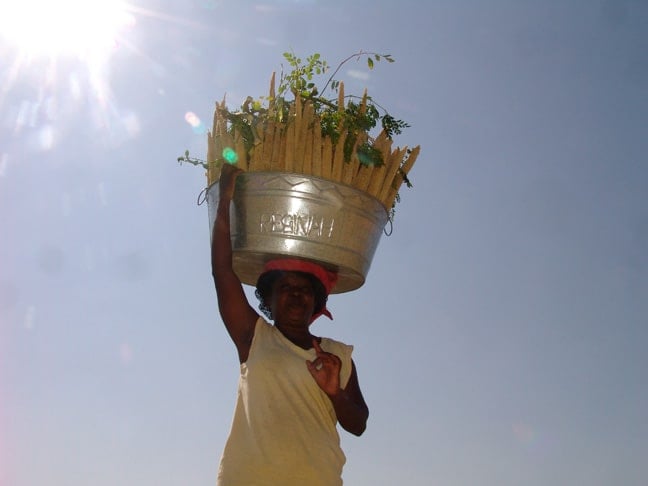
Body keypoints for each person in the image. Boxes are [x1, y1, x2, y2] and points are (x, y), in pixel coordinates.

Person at [211, 163, 369, 485]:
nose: (296, 296)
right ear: (268, 298)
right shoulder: (252, 336)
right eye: (286, 288)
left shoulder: (337, 355)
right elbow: (223, 272)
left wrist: (335, 392)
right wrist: (226, 201)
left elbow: (358, 424)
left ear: (316, 301)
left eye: (304, 290)